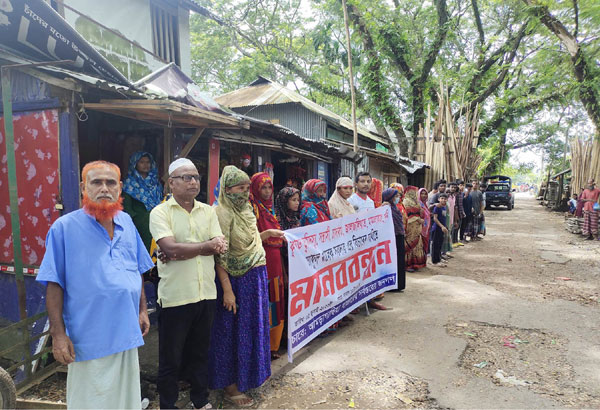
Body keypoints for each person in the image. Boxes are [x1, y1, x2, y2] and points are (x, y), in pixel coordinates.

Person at [37, 161, 154, 409]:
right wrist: (58, 335)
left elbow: (136, 270)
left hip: (126, 331)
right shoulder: (64, 228)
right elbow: (54, 285)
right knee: (90, 401)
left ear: (120, 188)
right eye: (96, 182)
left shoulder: (127, 223)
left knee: (126, 399)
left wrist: (142, 309)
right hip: (88, 338)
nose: (104, 188)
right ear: (83, 187)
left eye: (110, 183)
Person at [149, 158, 228, 410]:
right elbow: (169, 247)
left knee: (200, 353)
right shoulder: (160, 212)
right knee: (170, 358)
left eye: (195, 177)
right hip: (176, 296)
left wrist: (183, 251)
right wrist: (203, 247)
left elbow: (221, 244)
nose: (193, 182)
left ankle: (200, 400)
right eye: (186, 177)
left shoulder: (208, 211)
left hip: (205, 293)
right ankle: (168, 404)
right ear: (171, 182)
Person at [209, 166, 284, 407]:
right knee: (231, 333)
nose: (243, 192)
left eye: (245, 187)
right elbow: (221, 256)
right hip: (236, 282)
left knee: (252, 329)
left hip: (255, 280)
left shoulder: (248, 211)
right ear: (226, 189)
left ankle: (247, 378)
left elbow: (250, 241)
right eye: (237, 188)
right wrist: (227, 289)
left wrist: (267, 233)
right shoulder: (222, 213)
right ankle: (230, 387)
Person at [249, 172, 286, 360]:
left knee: (277, 296)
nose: (266, 191)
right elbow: (251, 237)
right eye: (263, 187)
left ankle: (274, 344)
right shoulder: (252, 209)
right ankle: (264, 346)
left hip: (276, 259)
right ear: (254, 188)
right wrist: (270, 233)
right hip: (262, 260)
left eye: (269, 187)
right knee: (267, 298)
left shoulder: (270, 208)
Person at [122, 151, 163, 251]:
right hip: (139, 223)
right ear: (135, 164)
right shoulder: (129, 183)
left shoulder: (155, 181)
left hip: (158, 221)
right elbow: (127, 207)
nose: (146, 165)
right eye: (142, 162)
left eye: (148, 162)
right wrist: (137, 219)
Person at [382, 188, 406, 291]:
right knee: (393, 261)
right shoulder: (386, 208)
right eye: (396, 196)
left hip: (399, 235)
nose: (398, 198)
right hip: (391, 237)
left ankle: (399, 284)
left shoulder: (394, 207)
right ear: (390, 197)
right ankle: (392, 285)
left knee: (399, 260)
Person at [403, 186, 426, 271]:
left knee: (417, 243)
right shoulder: (406, 202)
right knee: (409, 243)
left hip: (417, 227)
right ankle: (407, 265)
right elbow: (406, 215)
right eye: (413, 191)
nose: (415, 193)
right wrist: (417, 219)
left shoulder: (416, 202)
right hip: (410, 226)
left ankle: (415, 263)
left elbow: (419, 212)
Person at [431, 193, 449, 267]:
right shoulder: (437, 207)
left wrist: (445, 227)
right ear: (439, 199)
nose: (443, 200)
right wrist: (441, 226)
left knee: (440, 244)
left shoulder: (444, 207)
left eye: (445, 199)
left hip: (442, 229)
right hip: (437, 228)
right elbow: (435, 218)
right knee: (435, 244)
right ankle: (435, 261)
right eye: (442, 198)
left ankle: (439, 258)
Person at [418, 188, 431, 256]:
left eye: (425, 194)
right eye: (422, 194)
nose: (424, 195)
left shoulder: (425, 204)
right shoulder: (418, 204)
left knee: (425, 243)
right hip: (420, 228)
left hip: (426, 228)